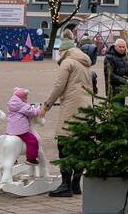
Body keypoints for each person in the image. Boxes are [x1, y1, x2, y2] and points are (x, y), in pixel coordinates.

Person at [43, 38, 93, 197]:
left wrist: (46, 105)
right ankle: (76, 184)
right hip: (86, 106)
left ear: (63, 51)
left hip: (72, 106)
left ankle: (65, 186)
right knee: (80, 144)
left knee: (64, 144)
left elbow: (59, 86)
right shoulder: (85, 63)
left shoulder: (67, 62)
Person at [6, 88, 42, 165]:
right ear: (22, 97)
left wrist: (29, 106)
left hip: (11, 129)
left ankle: (11, 158)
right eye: (26, 97)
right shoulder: (21, 105)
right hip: (20, 130)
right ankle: (31, 159)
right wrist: (38, 108)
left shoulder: (12, 102)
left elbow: (25, 108)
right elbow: (32, 113)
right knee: (32, 141)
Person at [104, 38, 128, 102]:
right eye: (120, 47)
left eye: (123, 47)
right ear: (115, 46)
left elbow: (124, 71)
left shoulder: (124, 56)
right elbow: (109, 75)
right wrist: (124, 80)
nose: (122, 49)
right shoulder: (109, 57)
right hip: (113, 89)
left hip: (123, 88)